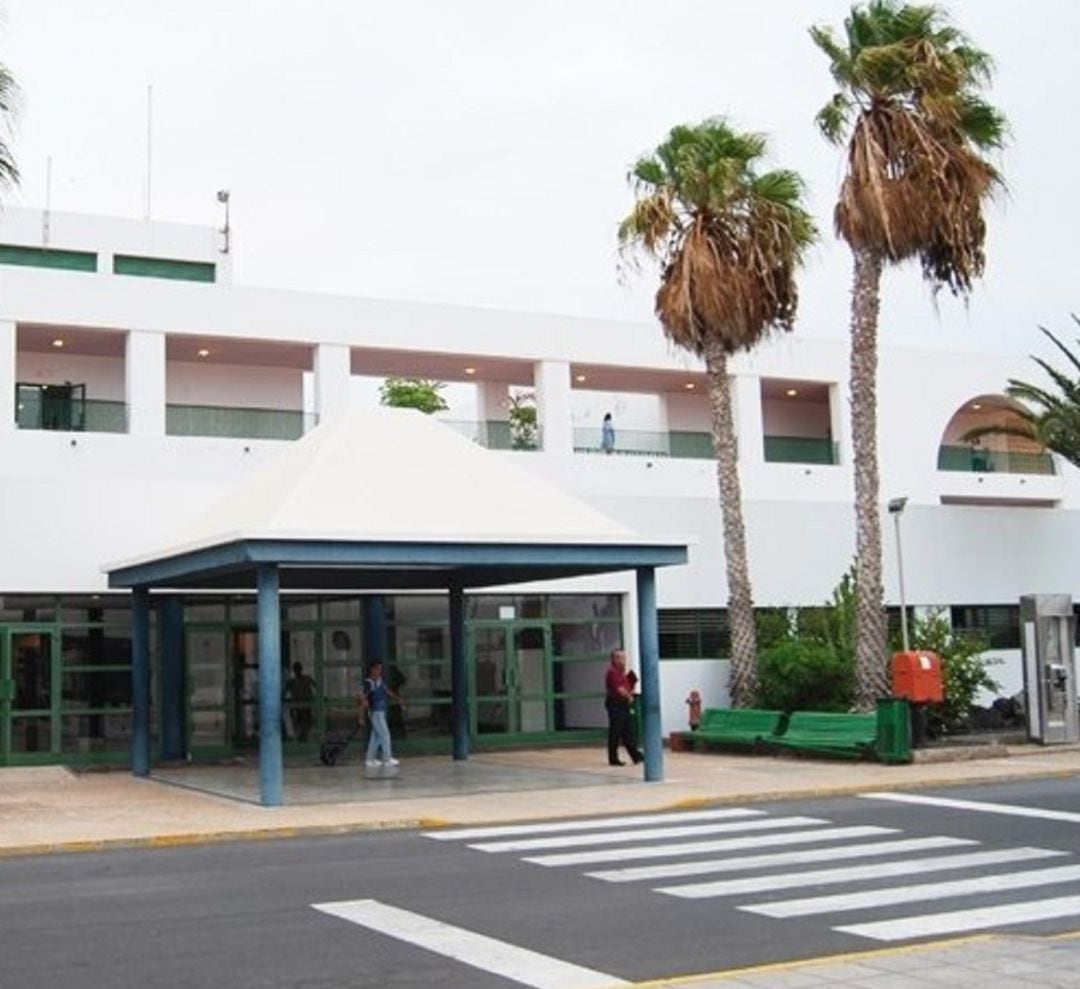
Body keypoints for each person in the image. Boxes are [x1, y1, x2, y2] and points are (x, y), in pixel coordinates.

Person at [604, 648, 642, 766]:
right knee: (616, 731)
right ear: (614, 659)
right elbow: (619, 689)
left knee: (627, 731)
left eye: (623, 658)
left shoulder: (621, 673)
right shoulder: (613, 672)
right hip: (616, 703)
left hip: (622, 704)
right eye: (619, 657)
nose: (622, 660)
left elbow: (626, 687)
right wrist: (629, 697)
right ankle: (613, 758)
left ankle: (635, 756)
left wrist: (631, 688)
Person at [360, 660, 400, 767]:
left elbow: (386, 690)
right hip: (375, 712)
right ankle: (387, 758)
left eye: (380, 669)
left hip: (381, 712)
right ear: (372, 669)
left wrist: (397, 698)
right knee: (385, 734)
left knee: (376, 736)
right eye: (377, 669)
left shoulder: (380, 681)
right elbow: (363, 699)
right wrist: (361, 716)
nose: (379, 671)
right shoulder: (369, 683)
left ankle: (370, 759)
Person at [284, 662, 317, 742]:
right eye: (296, 669)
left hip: (303, 703)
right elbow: (316, 685)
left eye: (298, 669)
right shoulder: (293, 681)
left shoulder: (296, 681)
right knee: (302, 720)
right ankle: (303, 734)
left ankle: (303, 734)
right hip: (300, 704)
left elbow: (316, 685)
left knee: (303, 719)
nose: (297, 671)